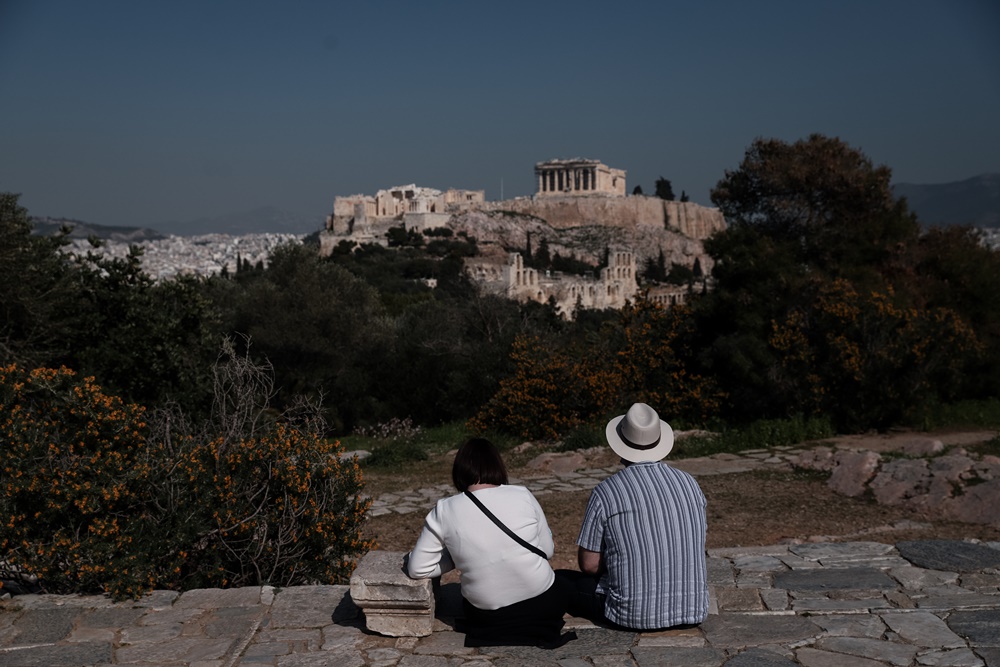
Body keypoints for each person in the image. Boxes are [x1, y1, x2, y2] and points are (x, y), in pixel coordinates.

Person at [406, 437, 574, 648]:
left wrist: (457, 560)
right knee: (566, 582)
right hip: (542, 603)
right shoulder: (522, 494)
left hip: (485, 615)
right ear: (498, 466)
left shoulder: (444, 509)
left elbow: (417, 568)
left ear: (459, 470)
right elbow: (547, 551)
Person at [558, 402, 709, 630]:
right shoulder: (690, 483)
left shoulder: (606, 491)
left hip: (633, 616)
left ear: (620, 445)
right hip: (693, 610)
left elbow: (589, 566)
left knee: (560, 581)